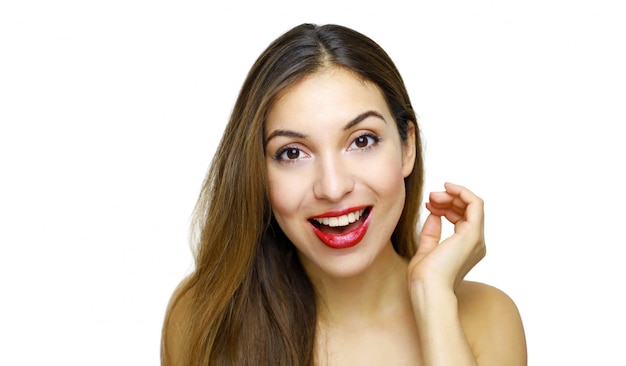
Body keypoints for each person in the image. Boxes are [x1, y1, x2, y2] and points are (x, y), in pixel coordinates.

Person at [161, 23, 527, 365]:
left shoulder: (486, 316)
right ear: (258, 171)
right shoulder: (204, 315)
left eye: (362, 141)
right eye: (292, 153)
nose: (333, 188)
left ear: (407, 148)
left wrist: (433, 299)